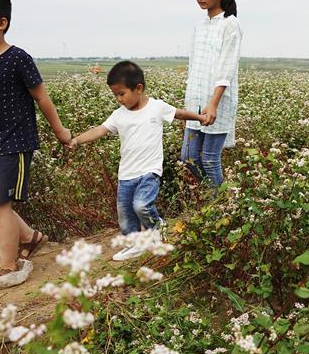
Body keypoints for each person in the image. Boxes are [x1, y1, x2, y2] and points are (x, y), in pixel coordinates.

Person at [0, 0, 72, 291]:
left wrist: (60, 131)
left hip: (14, 144)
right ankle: (31, 237)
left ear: (1, 23)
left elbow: (41, 97)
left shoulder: (17, 59)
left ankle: (9, 267)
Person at [68, 61, 208, 261]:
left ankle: (157, 228)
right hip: (126, 175)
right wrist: (76, 140)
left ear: (139, 88)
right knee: (125, 216)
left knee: (141, 205)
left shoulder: (156, 107)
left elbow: (179, 113)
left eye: (121, 94)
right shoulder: (119, 115)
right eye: (115, 95)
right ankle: (135, 245)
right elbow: (100, 129)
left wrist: (200, 118)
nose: (118, 99)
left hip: (149, 171)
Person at [182, 0, 242, 187]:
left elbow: (226, 69)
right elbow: (193, 67)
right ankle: (214, 198)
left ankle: (218, 208)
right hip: (194, 104)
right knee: (188, 158)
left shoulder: (230, 25)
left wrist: (213, 104)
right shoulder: (200, 26)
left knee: (209, 159)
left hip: (218, 103)